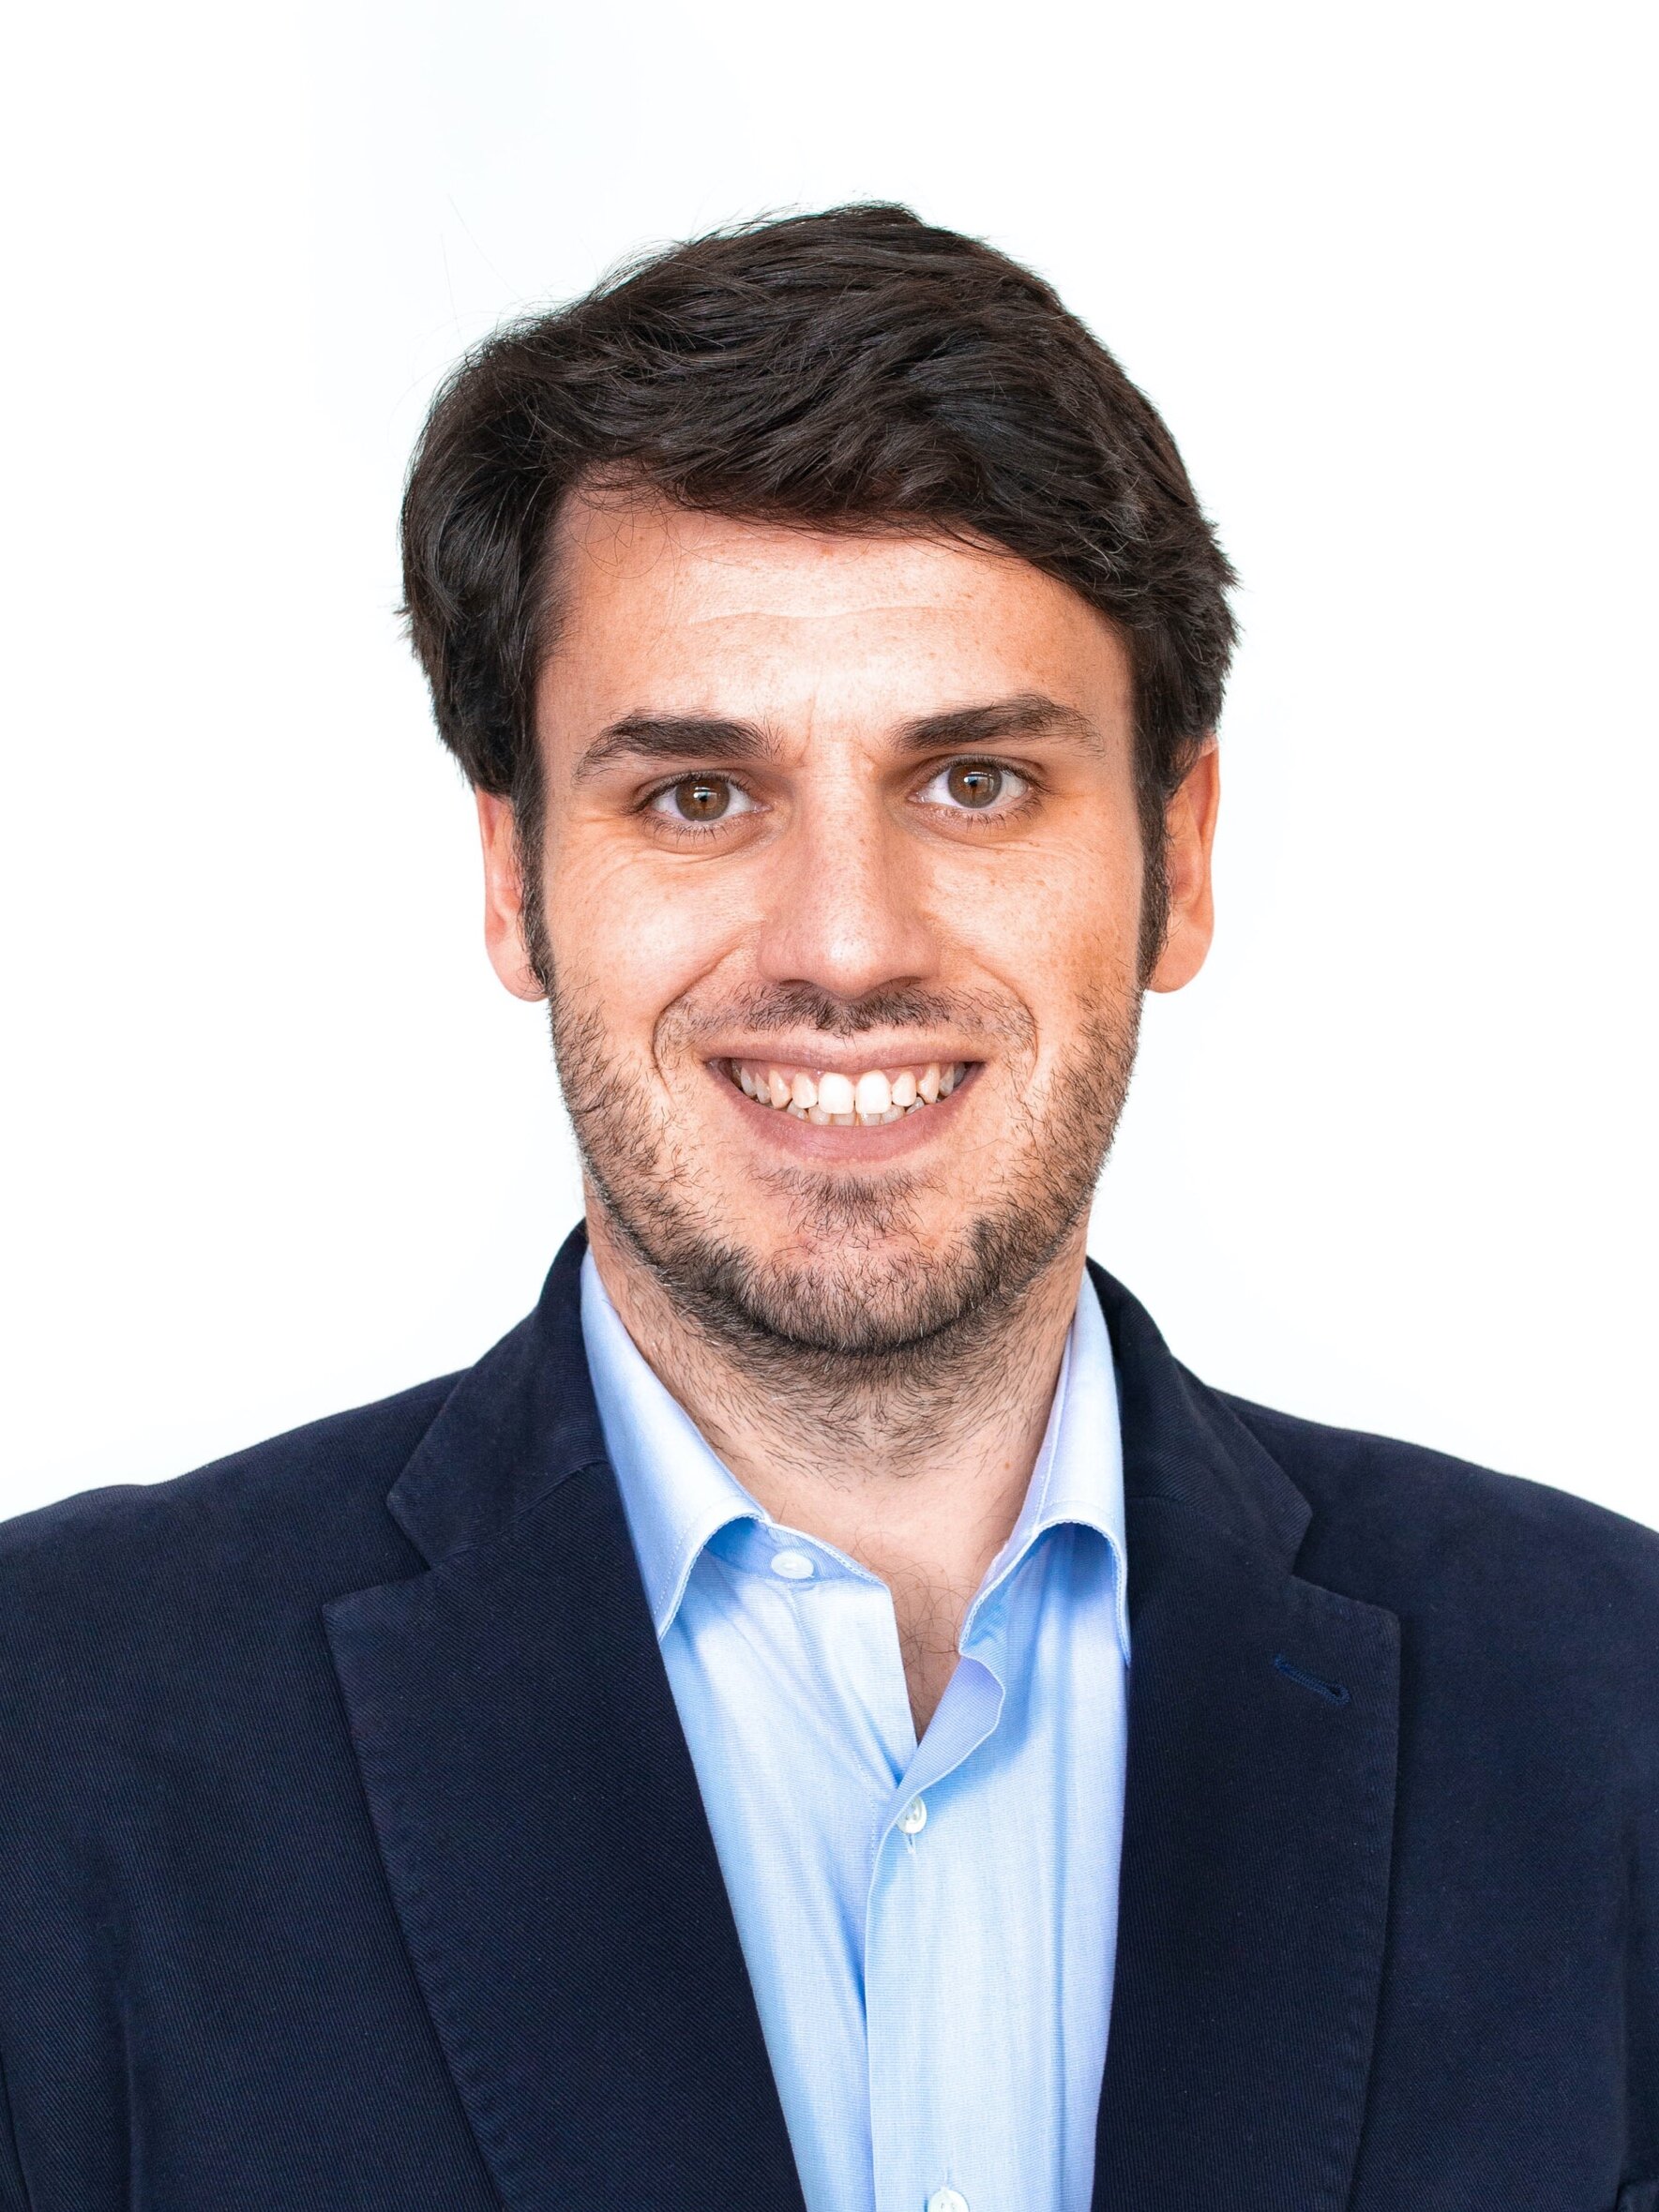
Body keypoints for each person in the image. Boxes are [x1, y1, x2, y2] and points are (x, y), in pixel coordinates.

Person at [0, 204, 1653, 2212]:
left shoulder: (1612, 1715)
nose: (846, 944)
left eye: (972, 782)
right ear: (516, 878)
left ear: (1180, 856)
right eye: (698, 794)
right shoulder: (56, 1735)